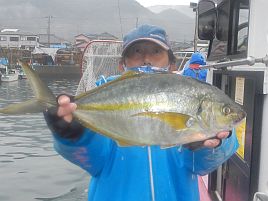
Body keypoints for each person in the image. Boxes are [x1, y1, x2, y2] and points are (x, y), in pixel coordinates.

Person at [44, 24, 238, 201]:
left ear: (171, 64)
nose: (146, 59)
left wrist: (209, 146)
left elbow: (202, 166)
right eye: (136, 52)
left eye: (156, 51)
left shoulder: (190, 93)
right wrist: (73, 136)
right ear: (122, 65)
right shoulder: (103, 95)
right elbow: (92, 160)